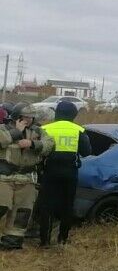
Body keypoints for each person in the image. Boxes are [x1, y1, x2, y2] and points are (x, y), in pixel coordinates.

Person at [0, 103, 56, 250]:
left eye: (31, 117)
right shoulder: (3, 128)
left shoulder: (38, 131)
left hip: (27, 179)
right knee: (2, 206)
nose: (29, 120)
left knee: (22, 214)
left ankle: (11, 242)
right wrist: (16, 132)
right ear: (17, 116)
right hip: (4, 178)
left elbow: (50, 145)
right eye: (25, 117)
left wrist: (32, 143)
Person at [37, 100, 91, 246]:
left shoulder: (45, 128)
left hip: (49, 170)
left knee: (46, 205)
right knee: (67, 205)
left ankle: (45, 241)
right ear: (73, 114)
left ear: (57, 112)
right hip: (70, 171)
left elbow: (38, 150)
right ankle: (63, 239)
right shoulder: (79, 130)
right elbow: (87, 152)